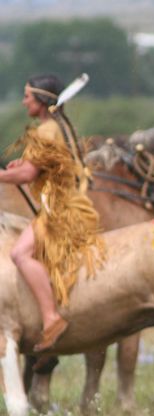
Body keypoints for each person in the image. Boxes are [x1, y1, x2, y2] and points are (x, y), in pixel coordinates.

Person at [0, 74, 104, 352]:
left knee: (19, 254)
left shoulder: (46, 130)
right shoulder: (51, 127)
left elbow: (28, 174)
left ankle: (51, 317)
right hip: (63, 205)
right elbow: (37, 166)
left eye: (27, 97)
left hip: (59, 211)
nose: (23, 102)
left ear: (40, 100)